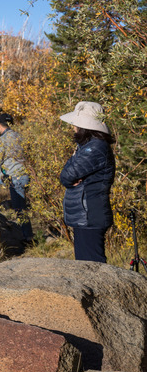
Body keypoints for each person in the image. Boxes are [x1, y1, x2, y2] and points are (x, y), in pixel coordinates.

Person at [59, 101, 115, 263]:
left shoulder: (95, 148)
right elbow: (70, 173)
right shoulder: (88, 147)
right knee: (87, 265)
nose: (74, 128)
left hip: (90, 216)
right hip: (87, 216)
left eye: (76, 124)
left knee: (92, 266)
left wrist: (71, 178)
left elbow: (66, 175)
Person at [0, 113, 32, 240]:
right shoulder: (19, 136)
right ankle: (27, 235)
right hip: (24, 174)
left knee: (19, 208)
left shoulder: (2, 139)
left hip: (13, 176)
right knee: (20, 206)